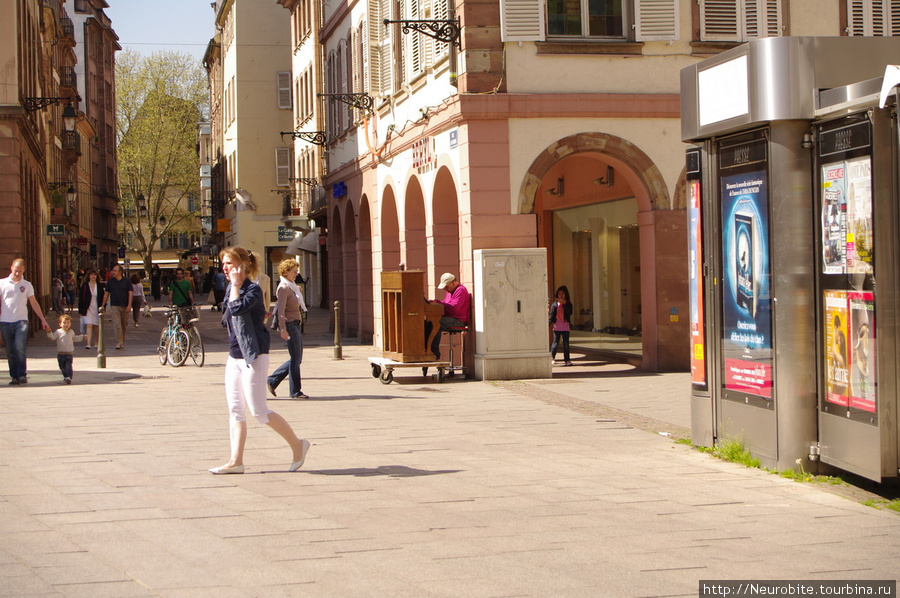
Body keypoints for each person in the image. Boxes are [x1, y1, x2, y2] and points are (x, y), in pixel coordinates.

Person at [208, 246, 310, 475]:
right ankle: (236, 461)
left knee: (259, 411)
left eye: (229, 263)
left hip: (254, 355)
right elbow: (227, 319)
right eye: (223, 263)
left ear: (243, 265)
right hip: (234, 355)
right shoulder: (229, 288)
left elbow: (235, 309)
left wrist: (235, 286)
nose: (225, 268)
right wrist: (232, 288)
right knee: (235, 409)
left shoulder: (253, 290)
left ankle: (297, 445)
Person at [0, 259, 51, 385]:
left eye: (20, 271)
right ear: (11, 268)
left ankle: (22, 374)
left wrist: (43, 319)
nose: (17, 274)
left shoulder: (27, 285)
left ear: (24, 270)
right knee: (10, 351)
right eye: (16, 271)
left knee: (20, 347)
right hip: (5, 321)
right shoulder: (2, 283)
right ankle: (14, 376)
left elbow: (33, 303)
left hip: (21, 321)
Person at [267, 259, 308, 399]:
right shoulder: (284, 287)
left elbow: (294, 297)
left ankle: (272, 380)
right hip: (290, 324)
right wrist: (283, 329)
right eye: (294, 271)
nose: (296, 274)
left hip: (294, 324)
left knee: (297, 358)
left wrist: (297, 290)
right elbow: (280, 310)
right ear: (285, 272)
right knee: (296, 359)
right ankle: (295, 391)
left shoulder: (291, 286)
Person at [425, 272, 471, 360]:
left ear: (453, 283)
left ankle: (434, 353)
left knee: (437, 323)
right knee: (428, 323)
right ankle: (427, 350)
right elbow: (447, 304)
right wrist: (437, 302)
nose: (445, 289)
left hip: (458, 321)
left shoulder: (460, 290)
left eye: (446, 286)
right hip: (452, 318)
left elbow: (453, 308)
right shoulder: (450, 291)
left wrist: (438, 303)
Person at [101, 264, 133, 350]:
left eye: (115, 271)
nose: (113, 272)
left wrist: (129, 305)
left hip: (125, 305)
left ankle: (122, 340)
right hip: (114, 306)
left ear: (120, 272)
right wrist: (102, 305)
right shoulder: (110, 282)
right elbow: (106, 294)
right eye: (112, 270)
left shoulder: (126, 281)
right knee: (117, 325)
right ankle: (119, 342)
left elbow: (130, 293)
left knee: (124, 325)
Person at [47, 314, 84, 384]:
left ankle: (68, 377)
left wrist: (82, 337)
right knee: (62, 367)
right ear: (60, 324)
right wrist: (49, 332)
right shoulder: (58, 332)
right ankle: (66, 377)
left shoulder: (71, 332)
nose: (66, 324)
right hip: (61, 353)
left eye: (68, 323)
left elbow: (74, 338)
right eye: (64, 323)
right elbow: (52, 337)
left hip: (69, 353)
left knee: (68, 365)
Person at [78, 269, 103, 349]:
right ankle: (88, 343)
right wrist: (81, 309)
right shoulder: (85, 285)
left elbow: (102, 297)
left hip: (96, 307)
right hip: (87, 307)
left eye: (94, 275)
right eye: (91, 275)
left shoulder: (99, 286)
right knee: (89, 324)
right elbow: (81, 298)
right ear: (88, 276)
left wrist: (103, 307)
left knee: (96, 326)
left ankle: (96, 343)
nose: (93, 276)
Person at [549, 285, 573, 366]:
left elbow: (569, 313)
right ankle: (552, 357)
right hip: (557, 326)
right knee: (555, 343)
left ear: (565, 294)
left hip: (565, 326)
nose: (561, 296)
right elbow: (552, 315)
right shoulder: (555, 304)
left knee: (566, 343)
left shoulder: (568, 304)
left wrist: (564, 304)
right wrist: (549, 323)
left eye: (562, 294)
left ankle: (567, 359)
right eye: (559, 294)